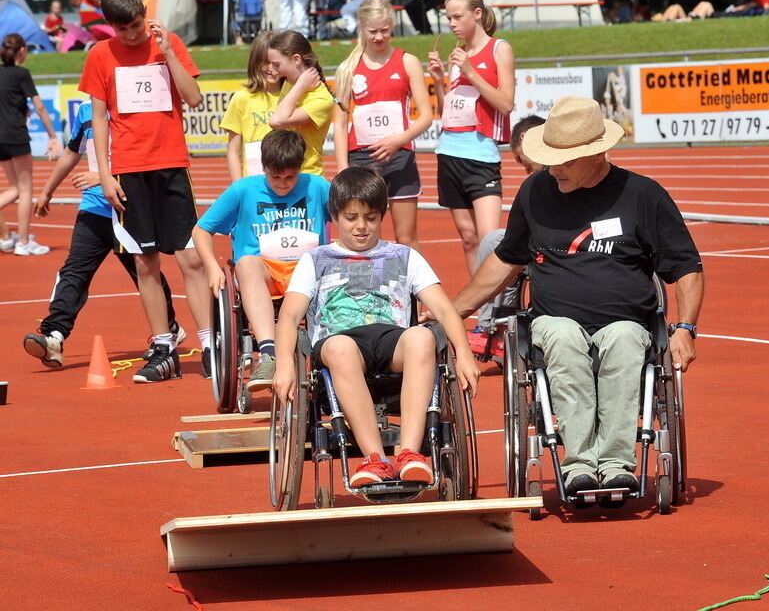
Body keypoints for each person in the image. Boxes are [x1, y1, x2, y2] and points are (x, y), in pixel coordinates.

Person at [451, 97, 704, 499]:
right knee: (564, 340)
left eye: (565, 162)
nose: (554, 169)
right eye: (550, 159)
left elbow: (686, 266)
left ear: (598, 153)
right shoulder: (536, 191)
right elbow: (506, 260)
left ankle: (616, 464)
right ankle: (580, 465)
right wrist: (452, 312)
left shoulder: (643, 195)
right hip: (555, 321)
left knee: (623, 341)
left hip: (627, 322)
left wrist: (686, 328)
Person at [273, 166, 479, 488]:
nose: (361, 227)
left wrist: (464, 353)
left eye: (370, 218)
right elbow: (288, 316)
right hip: (338, 341)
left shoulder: (404, 255)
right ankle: (375, 459)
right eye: (351, 217)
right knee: (341, 349)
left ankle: (409, 453)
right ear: (335, 216)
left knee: (422, 337)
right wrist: (285, 364)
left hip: (390, 337)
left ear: (382, 215)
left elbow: (442, 308)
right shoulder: (316, 259)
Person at [79, 0, 211, 382]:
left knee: (189, 258)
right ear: (109, 27)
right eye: (123, 30)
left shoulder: (166, 43)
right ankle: (163, 346)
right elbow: (99, 118)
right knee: (144, 261)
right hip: (128, 170)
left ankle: (209, 344)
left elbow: (194, 98)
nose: (133, 35)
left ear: (143, 13)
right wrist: (104, 173)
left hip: (170, 163)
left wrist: (168, 53)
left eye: (136, 25)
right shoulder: (101, 56)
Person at [23, 100, 184, 368]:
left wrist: (103, 176)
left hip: (130, 206)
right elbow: (72, 151)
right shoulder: (86, 111)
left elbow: (150, 156)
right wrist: (47, 191)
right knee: (75, 270)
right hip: (95, 207)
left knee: (145, 271)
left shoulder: (137, 106)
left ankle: (169, 329)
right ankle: (54, 335)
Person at [193, 129, 330, 391]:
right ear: (263, 166)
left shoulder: (318, 186)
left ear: (300, 167)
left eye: (290, 177)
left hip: (308, 272)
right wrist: (212, 268)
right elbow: (201, 230)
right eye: (275, 176)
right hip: (263, 273)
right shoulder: (243, 190)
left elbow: (348, 214)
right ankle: (268, 354)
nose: (282, 183)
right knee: (246, 263)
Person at [332, 0, 432, 250]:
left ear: (392, 27)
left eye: (385, 31)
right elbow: (340, 124)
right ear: (362, 29)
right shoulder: (348, 68)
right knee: (360, 234)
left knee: (406, 236)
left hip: (399, 158)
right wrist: (343, 169)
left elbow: (426, 116)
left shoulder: (407, 61)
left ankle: (415, 290)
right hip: (361, 160)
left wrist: (397, 140)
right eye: (373, 31)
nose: (379, 37)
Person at [428, 0, 515, 276]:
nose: (451, 23)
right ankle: (481, 311)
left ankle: (497, 311)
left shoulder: (499, 48)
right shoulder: (458, 54)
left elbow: (506, 103)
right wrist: (440, 82)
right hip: (449, 153)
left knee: (489, 241)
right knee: (467, 239)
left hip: (481, 156)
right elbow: (447, 112)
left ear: (477, 14)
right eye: (447, 18)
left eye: (457, 16)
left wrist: (471, 71)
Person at [468, 114, 544, 362]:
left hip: (557, 243)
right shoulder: (537, 181)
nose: (523, 167)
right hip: (539, 238)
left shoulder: (564, 170)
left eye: (521, 159)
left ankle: (497, 331)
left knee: (505, 244)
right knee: (493, 240)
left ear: (525, 138)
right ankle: (493, 327)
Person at [0, 33, 62, 256]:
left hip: (1, 139)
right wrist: (53, 136)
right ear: (22, 51)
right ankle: (23, 242)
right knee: (26, 190)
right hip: (15, 136)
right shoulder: (22, 74)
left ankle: (7, 238)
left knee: (16, 188)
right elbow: (40, 107)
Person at [267, 30, 338, 177]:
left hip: (306, 176)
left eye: (276, 65)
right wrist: (299, 86)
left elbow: (277, 121)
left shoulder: (321, 99)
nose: (272, 70)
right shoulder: (290, 84)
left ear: (296, 60)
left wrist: (300, 86)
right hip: (282, 175)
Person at [220, 30, 283, 181]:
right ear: (255, 62)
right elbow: (233, 151)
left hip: (287, 181)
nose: (271, 69)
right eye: (265, 62)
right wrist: (238, 187)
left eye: (276, 63)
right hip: (254, 182)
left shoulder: (294, 97)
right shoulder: (242, 98)